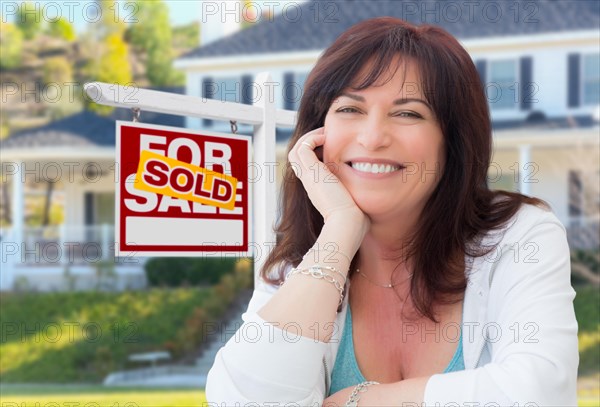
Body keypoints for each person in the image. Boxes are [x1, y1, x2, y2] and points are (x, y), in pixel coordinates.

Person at [205, 17, 578, 406]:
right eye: (350, 108)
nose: (372, 137)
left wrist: (359, 401)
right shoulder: (303, 261)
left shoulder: (519, 236)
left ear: (452, 142)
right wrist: (340, 232)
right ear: (317, 135)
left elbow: (539, 391)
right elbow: (242, 399)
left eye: (407, 113)